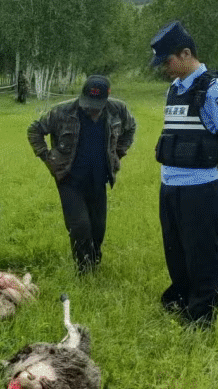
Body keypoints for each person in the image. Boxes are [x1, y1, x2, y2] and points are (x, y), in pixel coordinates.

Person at [151, 21, 218, 326]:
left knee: (202, 252)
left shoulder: (214, 88)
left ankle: (203, 315)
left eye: (168, 60)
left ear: (186, 53)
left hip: (199, 188)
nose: (164, 67)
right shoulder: (174, 89)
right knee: (175, 249)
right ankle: (181, 298)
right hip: (170, 187)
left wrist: (213, 174)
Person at [27, 75, 136, 273]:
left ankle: (94, 263)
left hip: (99, 177)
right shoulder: (62, 111)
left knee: (98, 227)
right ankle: (83, 270)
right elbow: (35, 130)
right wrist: (47, 157)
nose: (92, 109)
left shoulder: (117, 110)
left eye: (97, 105)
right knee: (80, 226)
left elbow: (130, 128)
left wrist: (118, 153)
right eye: (88, 103)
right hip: (69, 177)